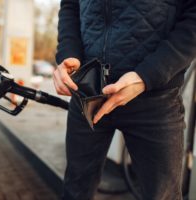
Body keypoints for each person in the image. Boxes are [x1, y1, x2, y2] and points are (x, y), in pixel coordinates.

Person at [53, 0, 196, 200]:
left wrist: (148, 75)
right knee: (75, 190)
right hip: (87, 91)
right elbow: (70, 5)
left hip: (155, 99)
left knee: (163, 195)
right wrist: (67, 54)